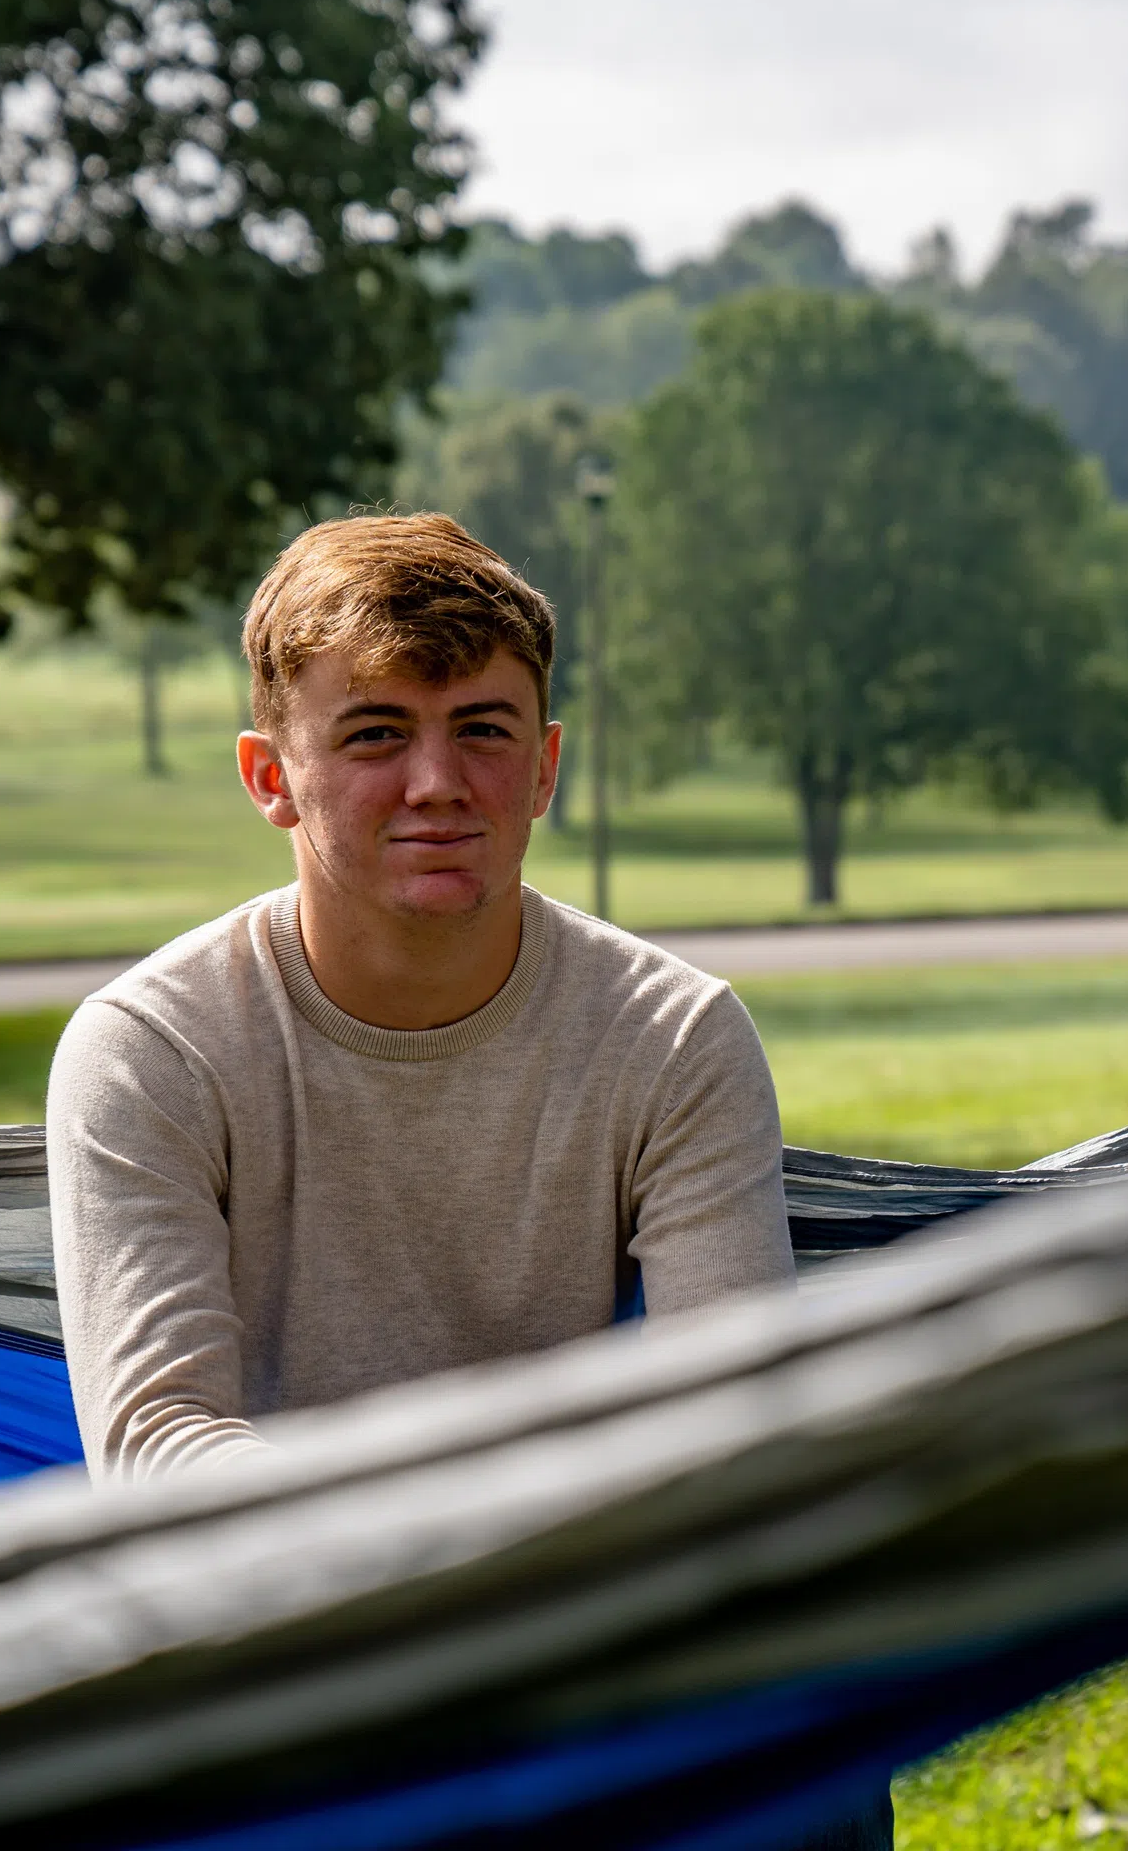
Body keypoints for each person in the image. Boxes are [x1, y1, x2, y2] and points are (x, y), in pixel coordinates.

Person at [46, 512, 797, 1478]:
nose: (438, 783)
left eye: (483, 729)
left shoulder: (674, 1038)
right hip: (284, 1614)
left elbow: (731, 1429)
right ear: (271, 778)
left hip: (589, 1602)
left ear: (546, 768)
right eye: (376, 734)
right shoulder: (150, 1050)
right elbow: (157, 1451)